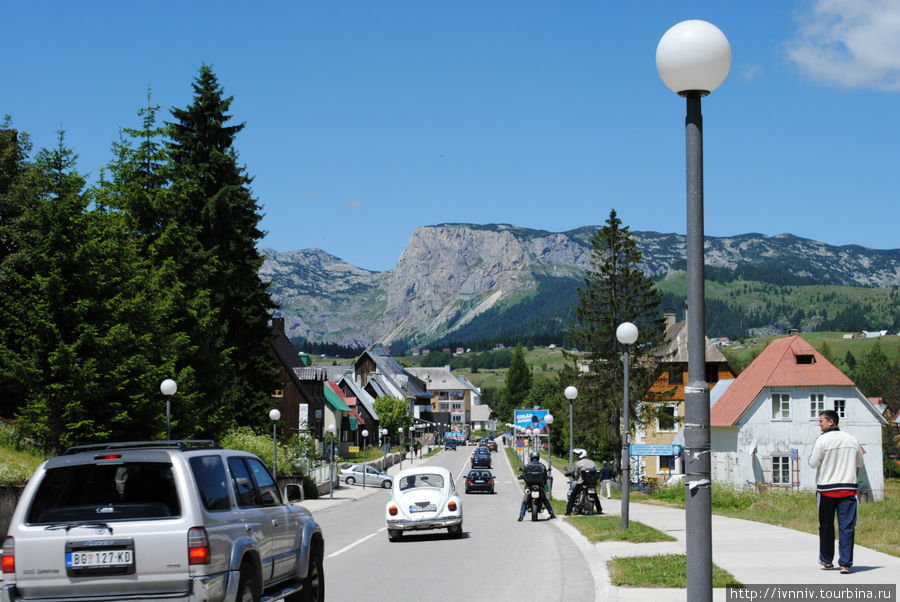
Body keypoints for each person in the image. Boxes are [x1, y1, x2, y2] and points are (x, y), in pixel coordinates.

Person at [808, 409, 864, 575]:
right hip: (848, 489)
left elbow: (812, 462)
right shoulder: (852, 439)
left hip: (826, 489)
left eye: (821, 421)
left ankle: (827, 560)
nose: (819, 424)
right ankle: (846, 563)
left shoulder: (822, 440)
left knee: (826, 526)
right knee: (847, 527)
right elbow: (859, 462)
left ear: (831, 422)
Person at [518, 451, 556, 521]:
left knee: (525, 500)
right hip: (540, 486)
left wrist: (521, 477)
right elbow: (545, 476)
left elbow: (524, 475)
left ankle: (521, 516)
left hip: (529, 486)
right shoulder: (542, 466)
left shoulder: (527, 466)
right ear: (538, 457)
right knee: (545, 499)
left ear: (531, 457)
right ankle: (551, 513)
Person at [565, 448, 601, 515]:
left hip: (582, 482)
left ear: (581, 455)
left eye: (578, 455)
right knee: (595, 495)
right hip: (592, 483)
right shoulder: (592, 462)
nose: (577, 456)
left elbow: (576, 475)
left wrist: (576, 478)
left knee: (573, 495)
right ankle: (599, 509)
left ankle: (568, 511)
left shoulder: (578, 463)